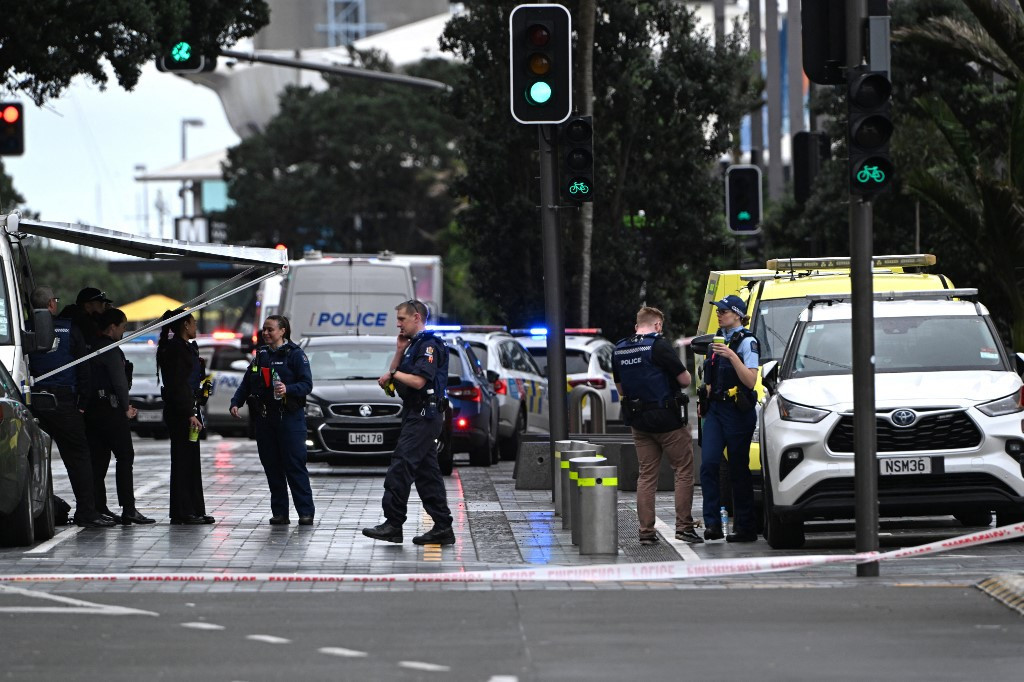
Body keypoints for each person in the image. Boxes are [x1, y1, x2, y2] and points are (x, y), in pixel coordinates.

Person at [362, 300, 454, 545]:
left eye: (402, 319)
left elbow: (418, 381)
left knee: (401, 466)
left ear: (416, 317)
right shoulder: (413, 345)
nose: (398, 324)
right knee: (427, 474)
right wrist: (399, 351)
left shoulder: (429, 345)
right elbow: (394, 377)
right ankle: (443, 526)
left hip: (424, 415)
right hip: (416, 413)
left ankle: (393, 524)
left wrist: (393, 374)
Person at [612, 306, 702, 546]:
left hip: (639, 422)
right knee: (683, 470)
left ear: (636, 326)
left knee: (646, 475)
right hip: (668, 420)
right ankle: (684, 527)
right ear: (658, 325)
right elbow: (685, 380)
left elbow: (621, 389)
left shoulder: (619, 349)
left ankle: (646, 531)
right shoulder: (659, 345)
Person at [27, 286, 114, 528]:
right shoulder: (69, 329)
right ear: (51, 304)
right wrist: (82, 404)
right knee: (79, 458)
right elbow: (83, 368)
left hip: (33, 401)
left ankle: (37, 509)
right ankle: (87, 512)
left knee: (34, 459)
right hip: (64, 402)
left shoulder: (23, 329)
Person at [230, 315, 315, 525]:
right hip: (265, 419)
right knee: (272, 466)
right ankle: (280, 513)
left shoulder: (295, 355)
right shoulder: (261, 355)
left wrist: (288, 389)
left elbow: (307, 384)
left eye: (270, 330)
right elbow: (247, 382)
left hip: (289, 419)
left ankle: (305, 512)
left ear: (282, 331)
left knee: (294, 465)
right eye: (264, 330)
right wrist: (236, 402)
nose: (266, 333)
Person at [84, 307, 154, 525]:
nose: (124, 331)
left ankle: (98, 506)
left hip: (93, 411)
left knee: (99, 460)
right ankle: (129, 509)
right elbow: (119, 382)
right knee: (125, 456)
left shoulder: (91, 346)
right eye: (123, 327)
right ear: (112, 327)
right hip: (111, 410)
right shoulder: (110, 350)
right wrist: (125, 407)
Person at [699, 294, 760, 543]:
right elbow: (710, 378)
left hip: (737, 412)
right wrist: (705, 396)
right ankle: (712, 524)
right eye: (718, 310)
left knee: (738, 469)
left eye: (723, 311)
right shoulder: (716, 340)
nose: (718, 314)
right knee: (708, 464)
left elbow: (750, 380)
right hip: (715, 410)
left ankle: (745, 528)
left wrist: (732, 356)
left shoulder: (747, 342)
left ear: (737, 314)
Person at [157, 310, 213, 525]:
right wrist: (189, 413)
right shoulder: (176, 350)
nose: (196, 326)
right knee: (183, 461)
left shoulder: (187, 348)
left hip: (190, 409)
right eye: (193, 322)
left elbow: (191, 380)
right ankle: (183, 511)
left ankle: (195, 509)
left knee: (191, 461)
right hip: (181, 413)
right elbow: (177, 385)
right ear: (185, 325)